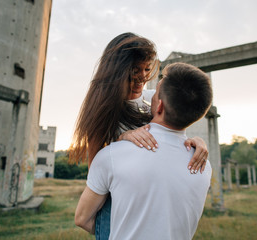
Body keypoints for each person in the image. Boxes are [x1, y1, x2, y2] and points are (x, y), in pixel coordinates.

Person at [70, 33, 209, 239]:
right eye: (134, 72)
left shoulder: (151, 99)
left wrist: (196, 141)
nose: (142, 78)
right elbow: (97, 172)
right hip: (117, 199)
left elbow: (173, 129)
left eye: (146, 69)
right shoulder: (103, 111)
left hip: (153, 191)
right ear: (116, 72)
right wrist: (121, 138)